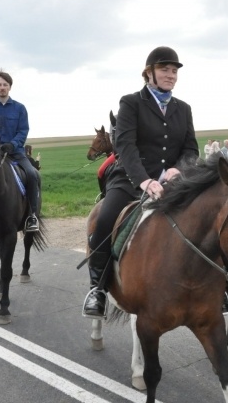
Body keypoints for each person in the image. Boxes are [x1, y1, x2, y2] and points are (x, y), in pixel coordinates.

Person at [83, 46, 199, 317]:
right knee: (105, 220)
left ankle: (217, 286)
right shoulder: (131, 103)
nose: (171, 75)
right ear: (149, 73)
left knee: (209, 216)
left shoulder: (184, 109)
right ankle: (97, 289)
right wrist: (144, 180)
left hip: (173, 181)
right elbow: (125, 145)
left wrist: (177, 169)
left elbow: (191, 149)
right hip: (131, 178)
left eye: (174, 71)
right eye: (165, 70)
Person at [0, 70, 41, 232]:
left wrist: (12, 144)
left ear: (10, 87)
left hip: (16, 153)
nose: (2, 87)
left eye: (5, 84)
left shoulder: (20, 108)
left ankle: (32, 215)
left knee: (32, 175)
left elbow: (23, 130)